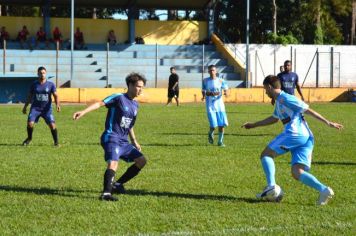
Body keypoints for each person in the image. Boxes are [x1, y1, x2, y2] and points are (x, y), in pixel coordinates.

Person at [241, 75, 343, 205]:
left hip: (294, 134)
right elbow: (274, 118)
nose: (265, 92)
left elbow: (307, 110)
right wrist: (253, 125)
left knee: (266, 154)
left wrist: (328, 122)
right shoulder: (279, 101)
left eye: (265, 89)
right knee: (297, 172)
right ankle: (324, 190)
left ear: (270, 87)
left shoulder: (286, 98)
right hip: (306, 137)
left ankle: (271, 186)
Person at [73, 73, 147, 201]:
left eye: (142, 87)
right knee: (113, 163)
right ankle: (106, 193)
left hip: (123, 141)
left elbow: (129, 124)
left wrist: (134, 141)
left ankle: (117, 184)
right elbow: (99, 104)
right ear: (129, 85)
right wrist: (83, 112)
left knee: (141, 161)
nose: (140, 90)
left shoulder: (135, 105)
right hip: (111, 136)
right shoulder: (118, 97)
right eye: (138, 86)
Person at [22, 66, 60, 146]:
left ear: (46, 74)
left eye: (43, 73)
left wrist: (57, 105)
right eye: (40, 73)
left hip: (46, 109)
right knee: (30, 124)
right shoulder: (34, 84)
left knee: (52, 125)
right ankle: (29, 138)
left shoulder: (51, 84)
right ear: (37, 74)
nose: (42, 74)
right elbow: (29, 96)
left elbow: (56, 95)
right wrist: (25, 107)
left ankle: (56, 142)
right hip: (35, 108)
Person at [201, 64, 229, 147]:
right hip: (210, 105)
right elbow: (203, 90)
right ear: (208, 71)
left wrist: (225, 93)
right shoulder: (205, 81)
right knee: (213, 125)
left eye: (213, 70)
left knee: (221, 124)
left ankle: (220, 142)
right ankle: (210, 132)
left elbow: (226, 89)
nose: (211, 72)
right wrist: (206, 94)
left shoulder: (221, 80)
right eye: (210, 70)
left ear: (216, 71)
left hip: (220, 106)